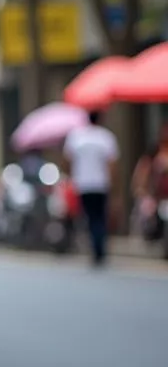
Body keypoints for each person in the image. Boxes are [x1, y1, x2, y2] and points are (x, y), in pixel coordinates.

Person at [63, 109, 119, 265]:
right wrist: (113, 184)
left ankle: (96, 249)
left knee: (90, 216)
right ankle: (99, 249)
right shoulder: (105, 137)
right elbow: (112, 164)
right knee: (99, 217)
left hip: (83, 184)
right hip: (101, 183)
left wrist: (71, 176)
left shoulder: (76, 137)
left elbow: (68, 160)